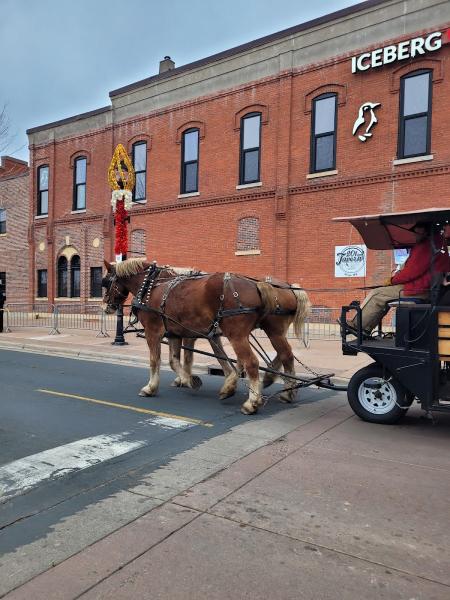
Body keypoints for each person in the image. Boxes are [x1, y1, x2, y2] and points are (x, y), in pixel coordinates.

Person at [347, 222, 450, 335]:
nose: (414, 235)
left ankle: (357, 326)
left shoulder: (425, 246)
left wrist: (392, 280)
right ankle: (366, 328)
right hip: (430, 289)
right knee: (384, 297)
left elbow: (411, 272)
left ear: (424, 231)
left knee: (377, 294)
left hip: (419, 290)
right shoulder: (439, 244)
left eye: (416, 232)